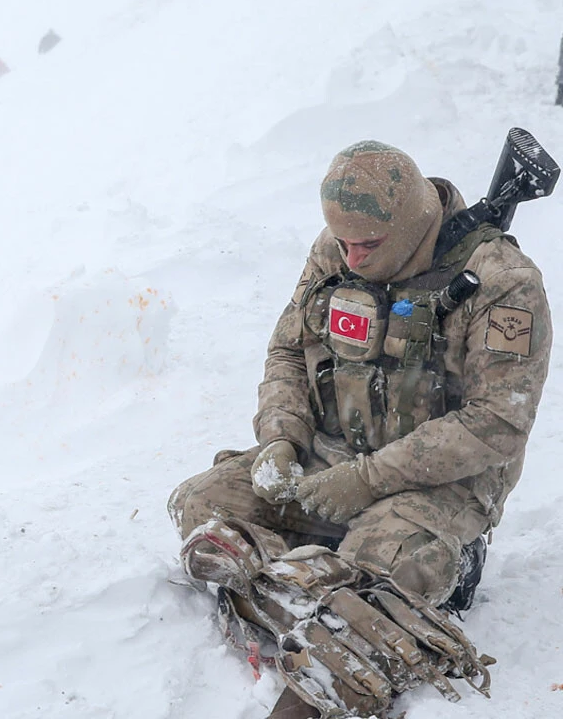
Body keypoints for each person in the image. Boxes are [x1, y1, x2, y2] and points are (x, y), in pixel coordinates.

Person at [168, 141, 551, 718]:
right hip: (325, 461)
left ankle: (348, 590)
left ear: (411, 226)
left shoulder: (504, 283)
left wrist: (368, 479)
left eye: (367, 245)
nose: (350, 257)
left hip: (433, 490)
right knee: (200, 503)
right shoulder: (337, 249)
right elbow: (288, 353)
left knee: (382, 575)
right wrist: (281, 436)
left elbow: (497, 424)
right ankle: (308, 585)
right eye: (342, 241)